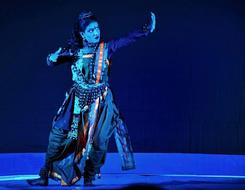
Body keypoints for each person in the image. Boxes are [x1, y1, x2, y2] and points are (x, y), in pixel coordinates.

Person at [27, 10, 156, 186]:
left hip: (101, 102)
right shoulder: (75, 51)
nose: (96, 33)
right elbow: (52, 61)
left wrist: (145, 30)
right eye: (91, 30)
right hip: (77, 101)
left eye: (97, 29)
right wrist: (52, 58)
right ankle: (44, 174)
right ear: (82, 34)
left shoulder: (106, 49)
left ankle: (89, 176)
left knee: (99, 142)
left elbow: (127, 39)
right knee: (58, 135)